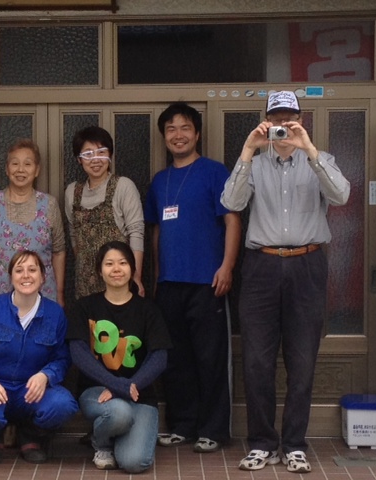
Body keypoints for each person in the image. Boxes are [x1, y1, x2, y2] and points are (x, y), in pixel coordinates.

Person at [221, 91, 350, 474]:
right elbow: (231, 202)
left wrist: (309, 150)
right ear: (266, 120)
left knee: (303, 359)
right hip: (261, 266)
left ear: (300, 119)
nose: (282, 125)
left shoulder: (321, 159)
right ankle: (262, 443)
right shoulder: (255, 163)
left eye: (289, 117)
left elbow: (341, 195)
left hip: (307, 264)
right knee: (257, 360)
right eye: (276, 117)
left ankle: (294, 444)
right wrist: (248, 150)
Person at [144, 102, 241, 453]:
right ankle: (183, 426)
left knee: (210, 358)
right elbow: (156, 231)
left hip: (207, 281)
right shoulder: (160, 180)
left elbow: (232, 220)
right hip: (169, 284)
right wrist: (157, 276)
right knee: (176, 359)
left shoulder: (215, 172)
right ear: (164, 137)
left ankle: (213, 429)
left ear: (197, 133)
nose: (178, 135)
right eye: (171, 129)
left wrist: (227, 266)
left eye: (185, 127)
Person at [0, 250, 78, 465]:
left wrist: (46, 375)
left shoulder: (55, 314)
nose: (26, 276)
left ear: (43, 277)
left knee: (63, 405)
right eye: (19, 270)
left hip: (30, 391)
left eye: (32, 270)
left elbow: (62, 358)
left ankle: (30, 435)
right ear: (11, 277)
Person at [67, 241, 170, 473]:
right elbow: (78, 353)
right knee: (119, 413)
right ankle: (101, 443)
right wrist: (116, 385)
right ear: (99, 270)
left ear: (132, 269)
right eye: (109, 264)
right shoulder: (85, 307)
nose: (116, 269)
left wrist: (129, 386)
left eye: (123, 263)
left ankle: (117, 435)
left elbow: (159, 357)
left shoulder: (148, 310)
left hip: (139, 394)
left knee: (134, 462)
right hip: (97, 392)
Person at [0, 139, 66, 306]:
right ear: (7, 169)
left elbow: (59, 251)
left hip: (42, 298)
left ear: (37, 170)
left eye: (28, 164)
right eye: (15, 163)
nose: (21, 169)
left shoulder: (49, 204)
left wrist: (59, 293)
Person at [65, 126, 145, 299]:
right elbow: (73, 233)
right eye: (88, 154)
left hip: (119, 278)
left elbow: (136, 232)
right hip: (85, 282)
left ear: (110, 155)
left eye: (101, 152)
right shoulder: (72, 191)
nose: (95, 159)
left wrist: (136, 276)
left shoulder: (123, 186)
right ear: (79, 159)